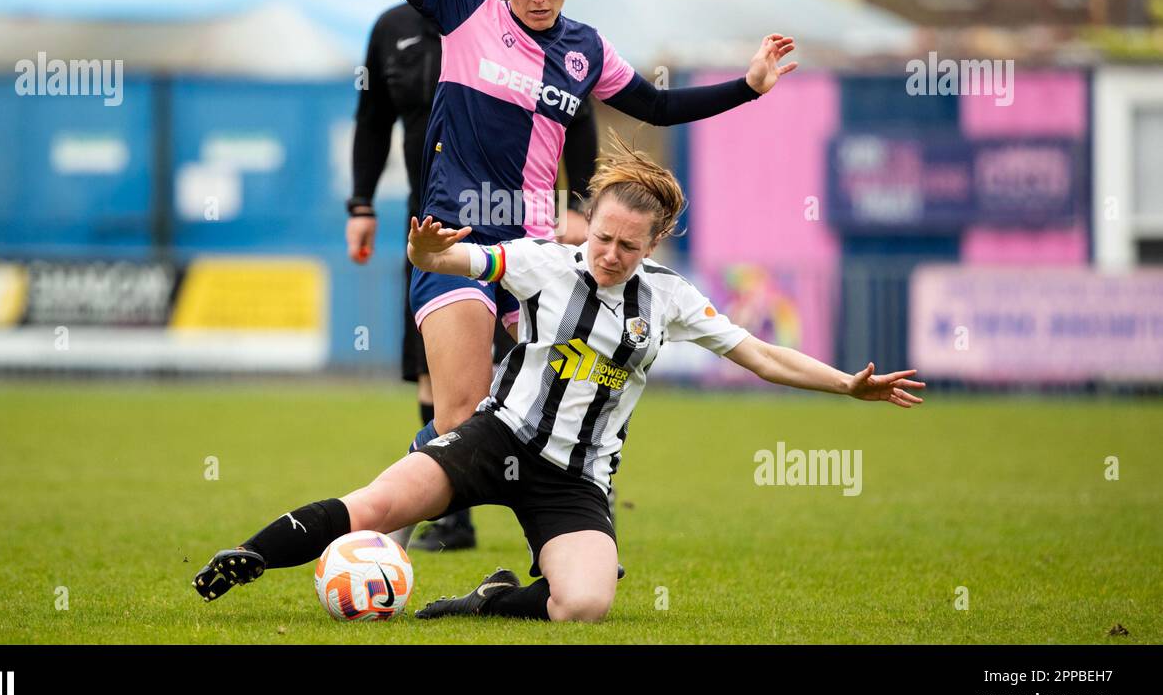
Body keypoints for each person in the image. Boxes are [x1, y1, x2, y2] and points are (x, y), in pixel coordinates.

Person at [193, 135, 926, 622]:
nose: (609, 253)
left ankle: (483, 604)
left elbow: (761, 354)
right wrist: (426, 252)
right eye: (602, 236)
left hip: (575, 477)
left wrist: (845, 385)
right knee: (378, 503)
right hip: (492, 437)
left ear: (654, 243)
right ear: (590, 224)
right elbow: (463, 264)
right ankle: (252, 555)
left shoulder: (669, 297)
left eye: (627, 245)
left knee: (585, 607)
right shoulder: (548, 260)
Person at [325, 0, 800, 469]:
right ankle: (380, 531)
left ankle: (550, 555)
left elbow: (657, 108)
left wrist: (746, 87)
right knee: (458, 415)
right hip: (456, 237)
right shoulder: (463, 12)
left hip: (534, 253)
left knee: (542, 421)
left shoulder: (586, 51)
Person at [346, 0, 598, 552]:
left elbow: (576, 113)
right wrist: (361, 205)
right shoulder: (392, 26)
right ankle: (438, 514)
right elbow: (371, 122)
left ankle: (560, 529)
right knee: (443, 384)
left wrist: (584, 207)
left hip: (522, 232)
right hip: (431, 223)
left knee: (538, 381)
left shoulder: (512, 20)